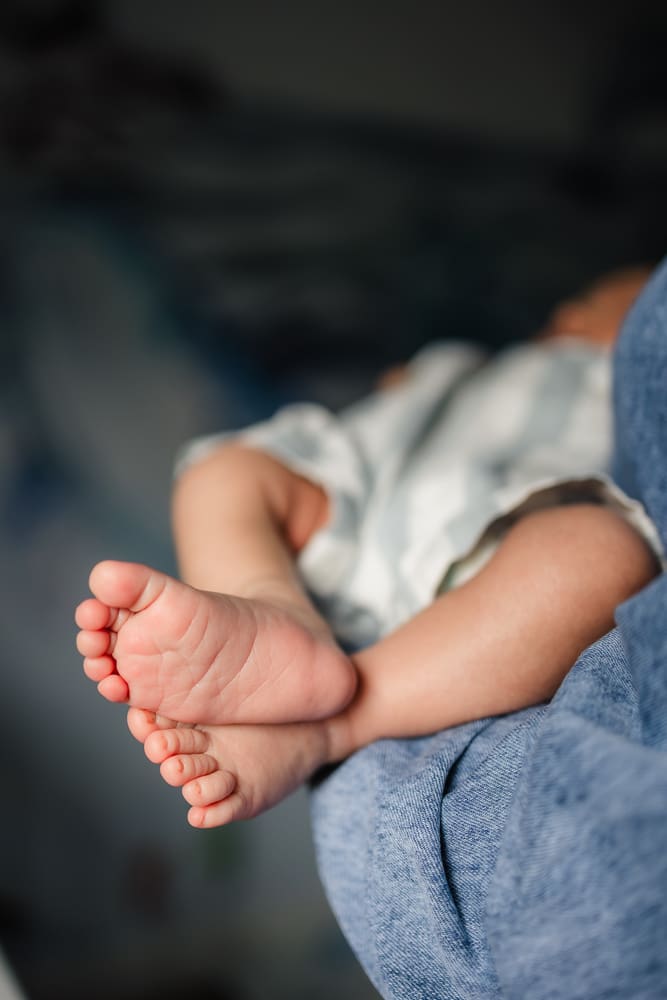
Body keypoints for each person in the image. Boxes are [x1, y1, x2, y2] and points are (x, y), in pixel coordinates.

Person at [75, 266, 660, 829]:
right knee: (221, 474)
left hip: (486, 573)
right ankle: (267, 604)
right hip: (356, 509)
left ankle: (332, 725)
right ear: (574, 317)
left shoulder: (624, 400)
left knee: (604, 553)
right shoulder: (468, 364)